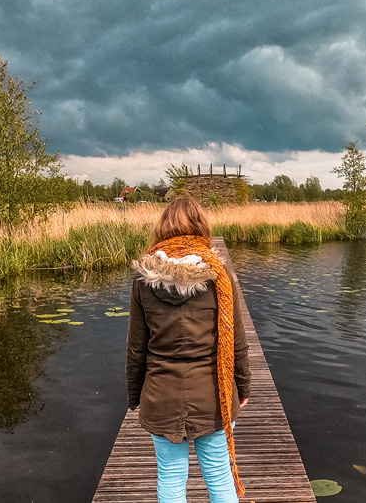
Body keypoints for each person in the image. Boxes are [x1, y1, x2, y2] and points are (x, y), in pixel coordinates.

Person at [126, 196, 251, 503]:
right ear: (201, 228)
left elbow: (136, 349)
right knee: (220, 477)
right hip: (213, 396)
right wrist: (243, 387)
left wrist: (134, 395)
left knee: (170, 477)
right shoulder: (219, 277)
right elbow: (236, 340)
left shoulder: (144, 281)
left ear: (162, 229)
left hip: (160, 394)